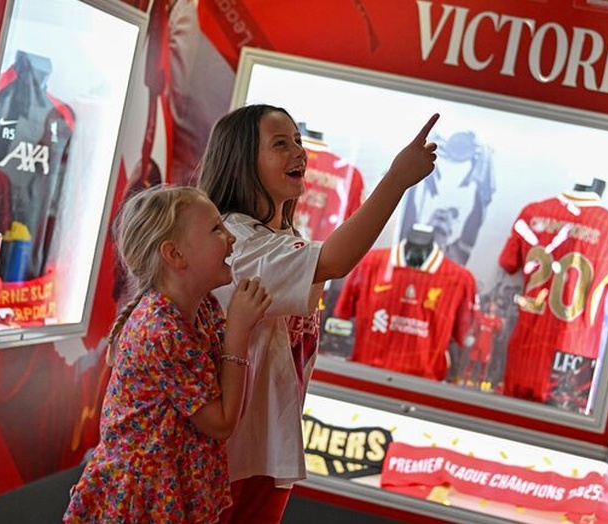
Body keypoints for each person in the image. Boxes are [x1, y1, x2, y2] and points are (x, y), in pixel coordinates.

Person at [197, 104, 439, 523]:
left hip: (267, 449)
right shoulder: (238, 239)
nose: (299, 152)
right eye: (280, 144)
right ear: (241, 160)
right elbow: (334, 261)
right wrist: (397, 180)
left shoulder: (281, 238)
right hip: (230, 452)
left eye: (297, 141)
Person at [63, 185, 271, 523]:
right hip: (140, 502)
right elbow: (220, 422)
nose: (230, 238)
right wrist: (239, 331)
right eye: (216, 229)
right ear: (175, 255)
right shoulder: (160, 330)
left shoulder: (203, 308)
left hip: (172, 488)